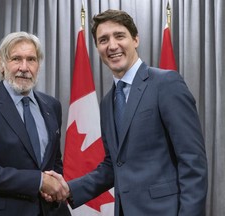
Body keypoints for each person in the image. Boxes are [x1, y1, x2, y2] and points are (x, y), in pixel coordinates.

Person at [45, 9, 208, 216]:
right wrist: (68, 189)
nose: (112, 46)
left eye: (119, 36)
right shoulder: (107, 102)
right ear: (97, 48)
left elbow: (192, 161)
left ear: (135, 39)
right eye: (103, 40)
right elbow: (113, 165)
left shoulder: (166, 84)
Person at [0, 31, 71, 216]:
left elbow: (54, 160)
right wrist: (39, 181)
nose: (24, 67)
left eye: (31, 59)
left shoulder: (52, 106)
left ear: (38, 65)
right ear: (1, 63)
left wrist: (52, 186)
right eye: (16, 59)